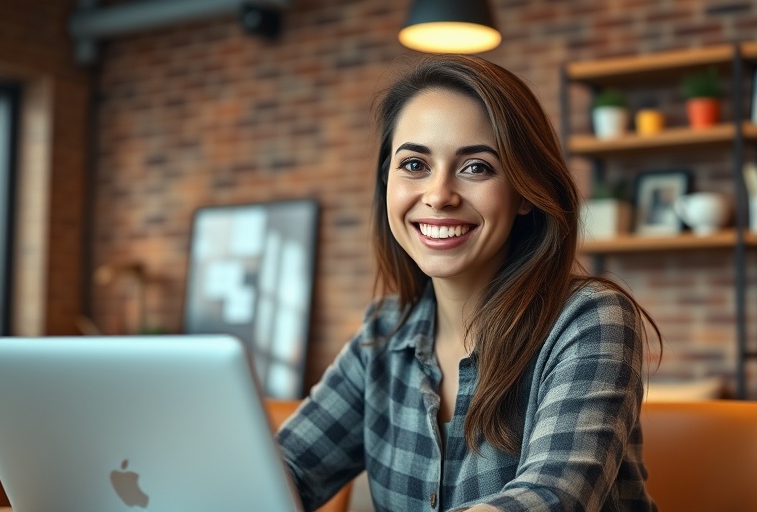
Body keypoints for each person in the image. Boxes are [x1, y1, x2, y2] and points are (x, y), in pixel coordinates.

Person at [276, 54, 660, 511]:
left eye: (476, 167)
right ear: (387, 184)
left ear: (524, 191)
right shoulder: (384, 334)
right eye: (415, 164)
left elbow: (551, 500)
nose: (438, 195)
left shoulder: (590, 320)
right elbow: (287, 468)